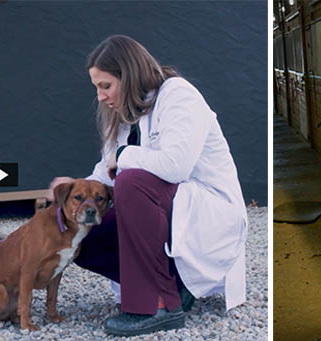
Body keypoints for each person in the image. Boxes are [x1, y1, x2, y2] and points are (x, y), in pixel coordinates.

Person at [44, 34, 248, 337]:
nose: (100, 96)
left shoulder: (179, 95)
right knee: (80, 232)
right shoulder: (125, 117)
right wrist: (69, 193)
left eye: (106, 86)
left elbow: (175, 166)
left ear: (129, 76)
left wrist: (125, 155)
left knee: (132, 182)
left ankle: (158, 304)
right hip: (167, 213)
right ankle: (176, 284)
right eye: (97, 88)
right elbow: (103, 173)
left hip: (207, 213)